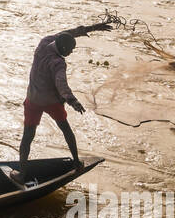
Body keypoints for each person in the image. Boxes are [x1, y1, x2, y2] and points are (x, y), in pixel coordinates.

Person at [19, 21, 112, 177]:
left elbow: (68, 32)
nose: (71, 52)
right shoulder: (58, 63)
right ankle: (76, 162)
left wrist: (93, 27)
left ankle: (22, 174)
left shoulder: (44, 42)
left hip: (33, 100)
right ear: (62, 49)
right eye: (70, 50)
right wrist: (72, 100)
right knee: (66, 130)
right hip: (51, 102)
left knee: (28, 135)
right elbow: (61, 84)